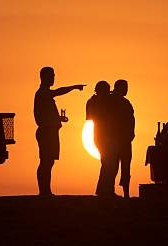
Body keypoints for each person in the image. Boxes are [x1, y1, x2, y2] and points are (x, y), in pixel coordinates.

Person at [33, 66, 84, 196]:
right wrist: (74, 87)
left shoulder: (45, 94)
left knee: (49, 161)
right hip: (46, 133)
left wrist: (58, 118)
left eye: (54, 75)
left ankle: (46, 190)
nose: (53, 78)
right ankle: (44, 191)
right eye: (52, 75)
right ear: (44, 77)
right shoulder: (43, 93)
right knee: (45, 161)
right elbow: (58, 92)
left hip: (51, 132)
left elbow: (45, 114)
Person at [86, 80, 119, 197]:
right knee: (108, 163)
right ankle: (105, 190)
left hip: (105, 135)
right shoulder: (94, 102)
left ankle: (105, 189)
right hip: (103, 136)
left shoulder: (94, 101)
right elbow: (92, 117)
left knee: (110, 163)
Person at [110, 79, 135, 199]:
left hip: (124, 138)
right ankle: (114, 191)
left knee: (123, 166)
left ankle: (124, 193)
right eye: (125, 87)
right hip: (115, 138)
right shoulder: (111, 100)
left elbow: (131, 119)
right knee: (116, 165)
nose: (127, 89)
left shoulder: (124, 102)